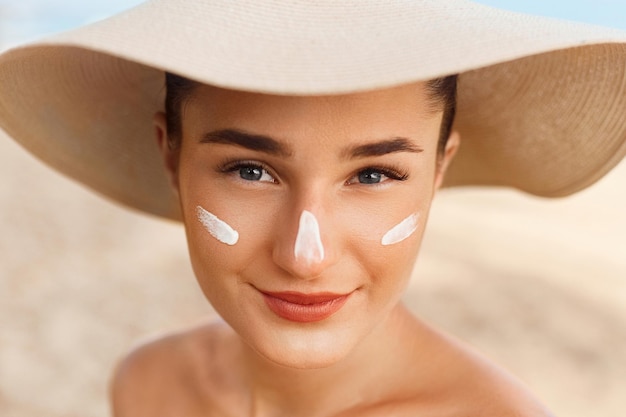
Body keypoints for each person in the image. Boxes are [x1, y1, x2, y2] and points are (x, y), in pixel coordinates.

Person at [0, 0, 625, 416]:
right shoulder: (148, 387)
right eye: (252, 171)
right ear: (171, 155)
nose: (306, 256)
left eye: (374, 174)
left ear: (439, 168)